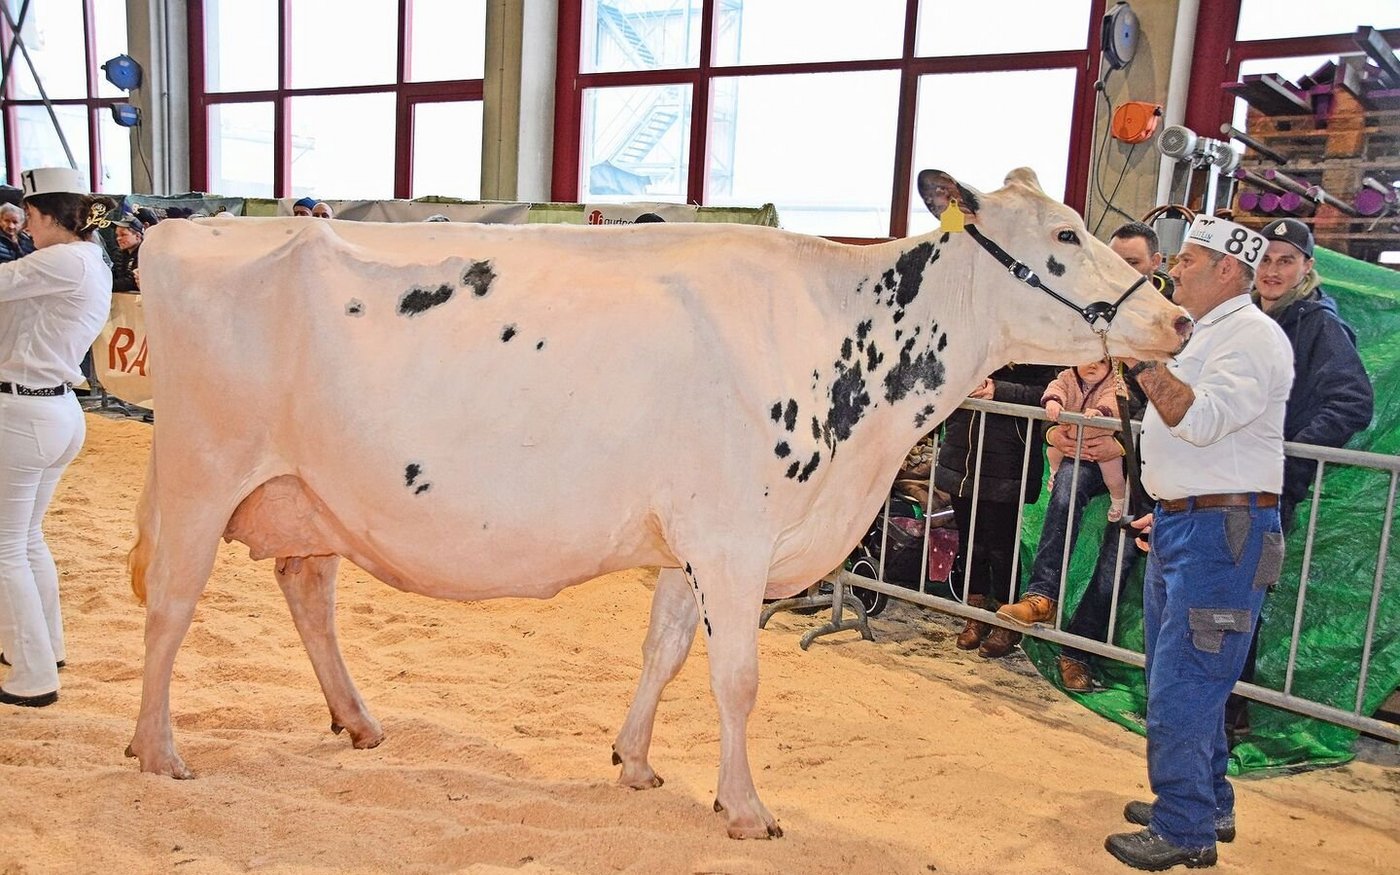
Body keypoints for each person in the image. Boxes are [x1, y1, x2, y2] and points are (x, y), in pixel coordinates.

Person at [1103, 214, 1293, 871]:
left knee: (1184, 683)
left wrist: (1141, 362)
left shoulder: (1252, 337)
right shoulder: (1207, 332)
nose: (1174, 269)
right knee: (1186, 675)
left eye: (1186, 260)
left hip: (1222, 535)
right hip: (1192, 524)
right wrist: (1169, 506)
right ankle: (1206, 802)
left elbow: (1200, 418)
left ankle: (1185, 829)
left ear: (1227, 270)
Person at [1220, 217, 1374, 740]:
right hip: (1223, 478)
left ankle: (1228, 711)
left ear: (1307, 266)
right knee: (1215, 591)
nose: (1272, 270)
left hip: (1265, 491)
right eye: (1264, 259)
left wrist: (1286, 456)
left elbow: (1352, 401)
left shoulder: (1319, 325)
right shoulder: (1242, 317)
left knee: (1241, 597)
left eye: (1285, 260)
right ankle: (1211, 704)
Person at [997, 221, 1165, 691]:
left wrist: (1123, 444)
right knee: (1067, 482)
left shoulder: (1167, 322)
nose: (1121, 271)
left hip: (1148, 469)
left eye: (1132, 263)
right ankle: (1041, 595)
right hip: (1087, 450)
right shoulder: (1093, 315)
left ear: (1156, 264)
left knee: (1117, 557)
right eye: (1113, 261)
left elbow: (1177, 407)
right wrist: (1059, 431)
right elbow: (1061, 384)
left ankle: (1079, 652)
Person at [0, 168, 114, 707]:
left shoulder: (66, 259)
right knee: (24, 540)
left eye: (30, 216)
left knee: (6, 547)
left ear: (49, 215)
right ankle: (42, 648)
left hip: (24, 412)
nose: (26, 227)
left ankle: (33, 676)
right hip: (51, 408)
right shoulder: (85, 258)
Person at [935, 363, 1058, 658]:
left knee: (1002, 547)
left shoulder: (1036, 351)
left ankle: (1006, 620)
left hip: (1009, 458)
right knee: (971, 542)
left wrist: (999, 390)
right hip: (962, 452)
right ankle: (975, 614)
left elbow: (1048, 392)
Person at [1041, 358, 1128, 522]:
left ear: (1112, 366)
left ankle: (1119, 500)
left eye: (1102, 362)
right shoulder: (1067, 376)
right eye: (1087, 359)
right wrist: (1053, 401)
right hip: (1070, 435)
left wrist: (1100, 411)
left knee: (1113, 477)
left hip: (1100, 440)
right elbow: (1056, 388)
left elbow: (1112, 400)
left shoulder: (1113, 383)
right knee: (1052, 451)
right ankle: (1054, 473)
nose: (1093, 365)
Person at [110, 210, 143, 292]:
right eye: (117, 235)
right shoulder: (119, 253)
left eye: (123, 235)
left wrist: (104, 285)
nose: (118, 238)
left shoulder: (145, 254)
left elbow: (131, 282)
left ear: (137, 236)